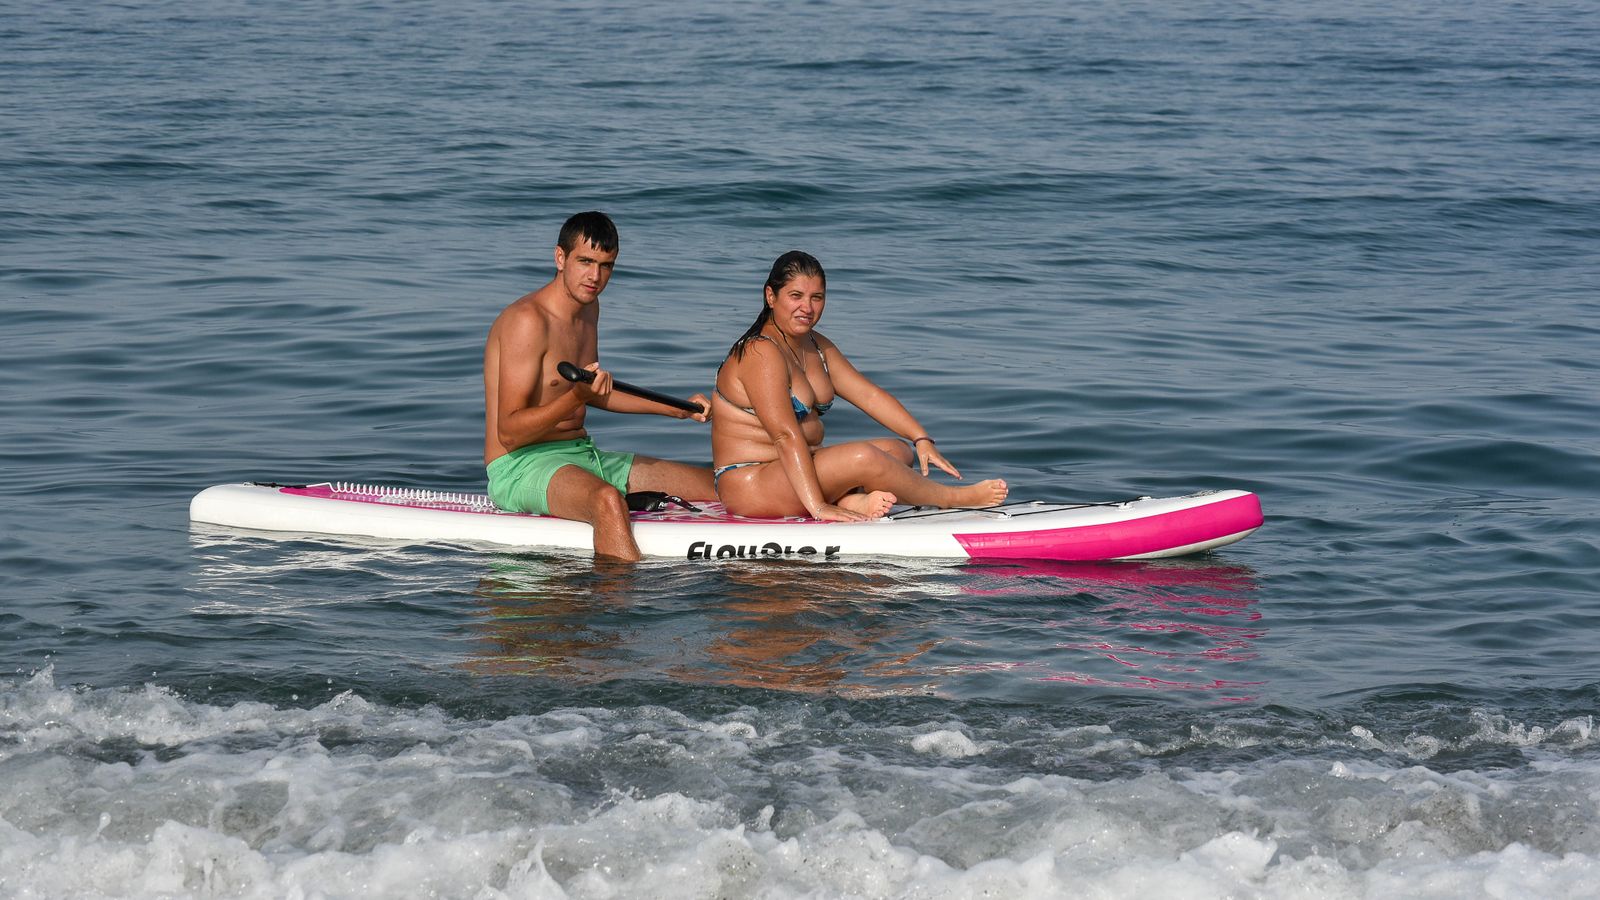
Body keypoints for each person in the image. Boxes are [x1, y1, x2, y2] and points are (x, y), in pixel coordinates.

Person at [483, 211, 715, 560]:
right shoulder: (527, 321)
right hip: (519, 466)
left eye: (606, 265)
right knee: (607, 500)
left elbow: (597, 392)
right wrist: (576, 397)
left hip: (581, 455)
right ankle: (620, 594)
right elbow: (510, 433)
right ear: (560, 258)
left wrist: (677, 409)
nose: (595, 277)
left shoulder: (588, 309)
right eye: (585, 262)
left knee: (715, 485)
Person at [711, 250, 1008, 522]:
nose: (807, 307)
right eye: (796, 296)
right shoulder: (760, 352)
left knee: (897, 451)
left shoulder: (816, 346)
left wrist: (921, 438)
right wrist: (818, 507)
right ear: (771, 296)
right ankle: (953, 498)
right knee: (865, 458)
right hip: (752, 484)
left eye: (817, 297)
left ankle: (850, 499)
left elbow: (869, 395)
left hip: (797, 470)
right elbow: (784, 436)